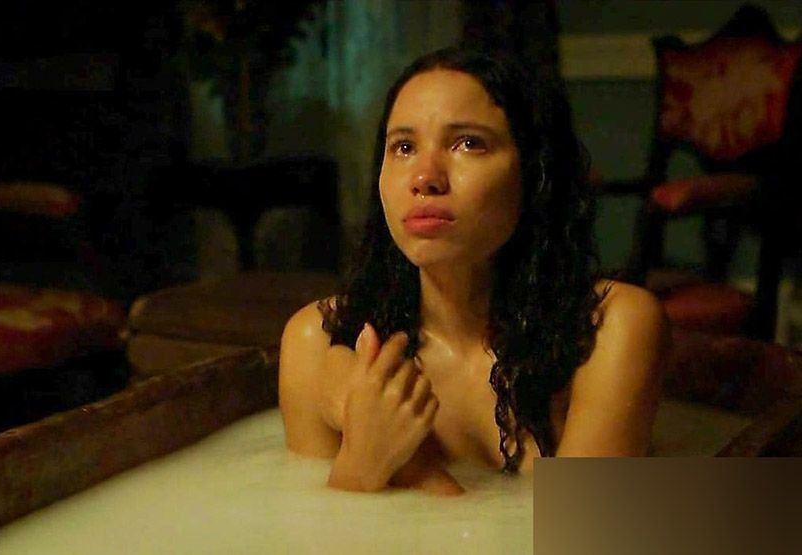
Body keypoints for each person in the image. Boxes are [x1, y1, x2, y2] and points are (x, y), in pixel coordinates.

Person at [278, 47, 668, 496]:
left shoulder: (611, 327)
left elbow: (590, 527)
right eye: (403, 147)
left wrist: (414, 467)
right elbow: (307, 528)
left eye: (468, 143)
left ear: (535, 172)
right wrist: (362, 464)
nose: (425, 177)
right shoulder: (318, 341)